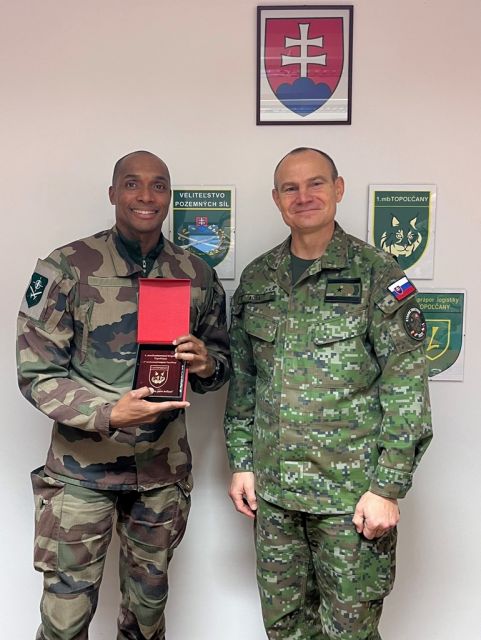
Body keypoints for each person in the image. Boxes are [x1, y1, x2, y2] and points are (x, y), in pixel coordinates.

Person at [17, 150, 230, 640]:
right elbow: (37, 373)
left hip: (160, 473)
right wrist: (109, 412)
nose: (146, 196)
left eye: (158, 185)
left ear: (169, 197)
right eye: (132, 184)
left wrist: (206, 363)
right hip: (81, 474)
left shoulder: (196, 274)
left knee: (146, 619)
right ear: (113, 193)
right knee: (64, 621)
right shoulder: (67, 268)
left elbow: (219, 365)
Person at [224, 147, 432, 640]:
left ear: (338, 189)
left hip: (350, 500)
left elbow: (405, 386)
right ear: (276, 199)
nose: (304, 196)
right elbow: (245, 382)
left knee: (349, 631)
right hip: (275, 497)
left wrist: (387, 489)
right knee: (285, 628)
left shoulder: (377, 273)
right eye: (290, 188)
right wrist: (242, 463)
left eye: (315, 183)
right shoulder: (257, 279)